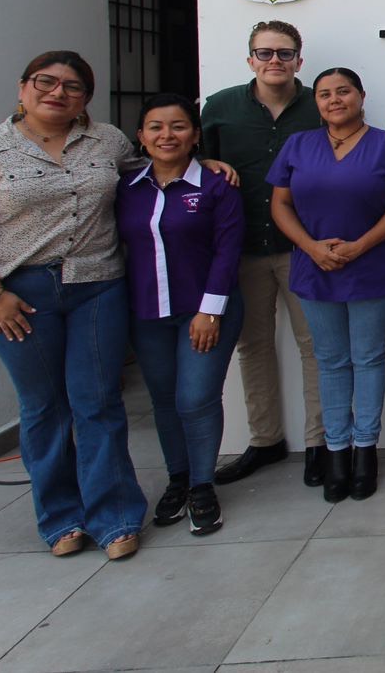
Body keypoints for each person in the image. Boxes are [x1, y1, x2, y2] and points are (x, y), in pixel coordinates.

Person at [0, 51, 149, 560]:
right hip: (19, 294)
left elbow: (148, 175)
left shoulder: (107, 142)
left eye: (72, 87)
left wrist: (204, 164)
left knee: (97, 401)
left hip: (97, 286)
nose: (57, 93)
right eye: (46, 82)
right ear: (22, 87)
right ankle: (60, 517)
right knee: (43, 407)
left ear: (85, 100)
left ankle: (115, 515)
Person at [268, 67, 385, 502]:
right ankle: (335, 450)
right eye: (324, 94)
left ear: (361, 95)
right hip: (313, 269)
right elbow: (280, 204)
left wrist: (360, 246)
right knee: (331, 361)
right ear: (316, 102)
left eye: (343, 91)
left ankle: (365, 450)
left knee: (369, 357)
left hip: (371, 268)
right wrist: (311, 247)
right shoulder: (298, 145)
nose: (335, 100)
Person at [201, 20, 327, 487]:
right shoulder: (220, 108)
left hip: (303, 247)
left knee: (314, 348)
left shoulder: (319, 105)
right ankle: (265, 440)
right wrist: (206, 162)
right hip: (243, 248)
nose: (275, 61)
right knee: (252, 346)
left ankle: (321, 442)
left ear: (299, 58)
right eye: (266, 53)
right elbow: (186, 163)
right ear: (250, 58)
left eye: (285, 53)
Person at [118, 94, 245, 536]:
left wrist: (210, 311)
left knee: (196, 399)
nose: (166, 135)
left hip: (206, 311)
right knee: (165, 401)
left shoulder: (216, 185)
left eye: (177, 127)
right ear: (141, 136)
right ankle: (177, 479)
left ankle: (202, 485)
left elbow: (228, 252)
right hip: (148, 312)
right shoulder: (126, 187)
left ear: (194, 136)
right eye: (155, 127)